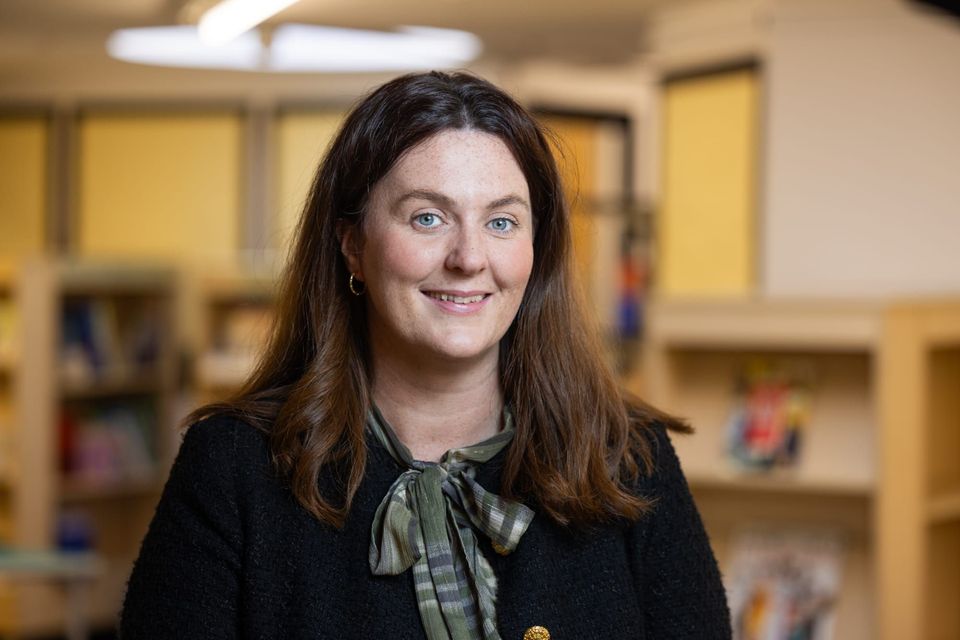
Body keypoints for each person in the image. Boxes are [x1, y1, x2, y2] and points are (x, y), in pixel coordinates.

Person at [120, 71, 731, 639]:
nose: (469, 258)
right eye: (428, 217)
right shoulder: (234, 469)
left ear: (536, 249)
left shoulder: (628, 459)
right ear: (353, 246)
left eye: (501, 222)